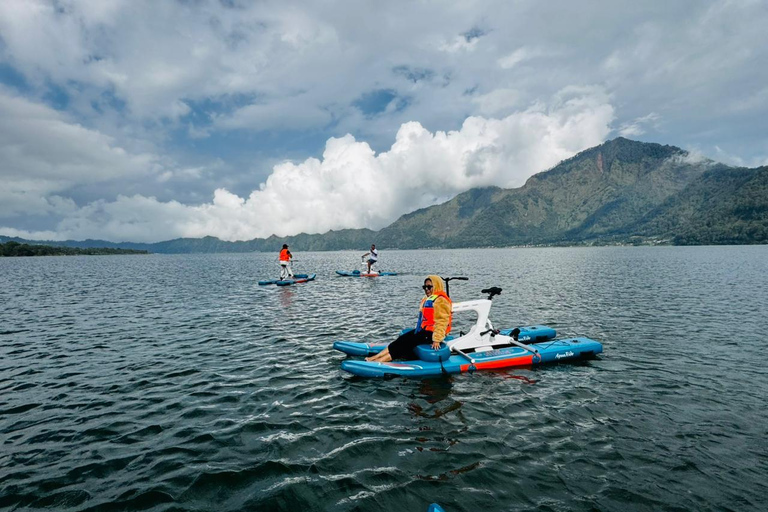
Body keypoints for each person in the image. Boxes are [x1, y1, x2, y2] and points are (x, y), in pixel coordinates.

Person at [366, 275, 452, 362]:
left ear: (437, 286)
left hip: (432, 333)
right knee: (402, 339)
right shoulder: (428, 299)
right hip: (424, 331)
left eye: (429, 287)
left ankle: (379, 361)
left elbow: (442, 321)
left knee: (407, 344)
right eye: (425, 287)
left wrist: (437, 340)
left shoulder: (441, 300)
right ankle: (375, 357)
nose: (426, 289)